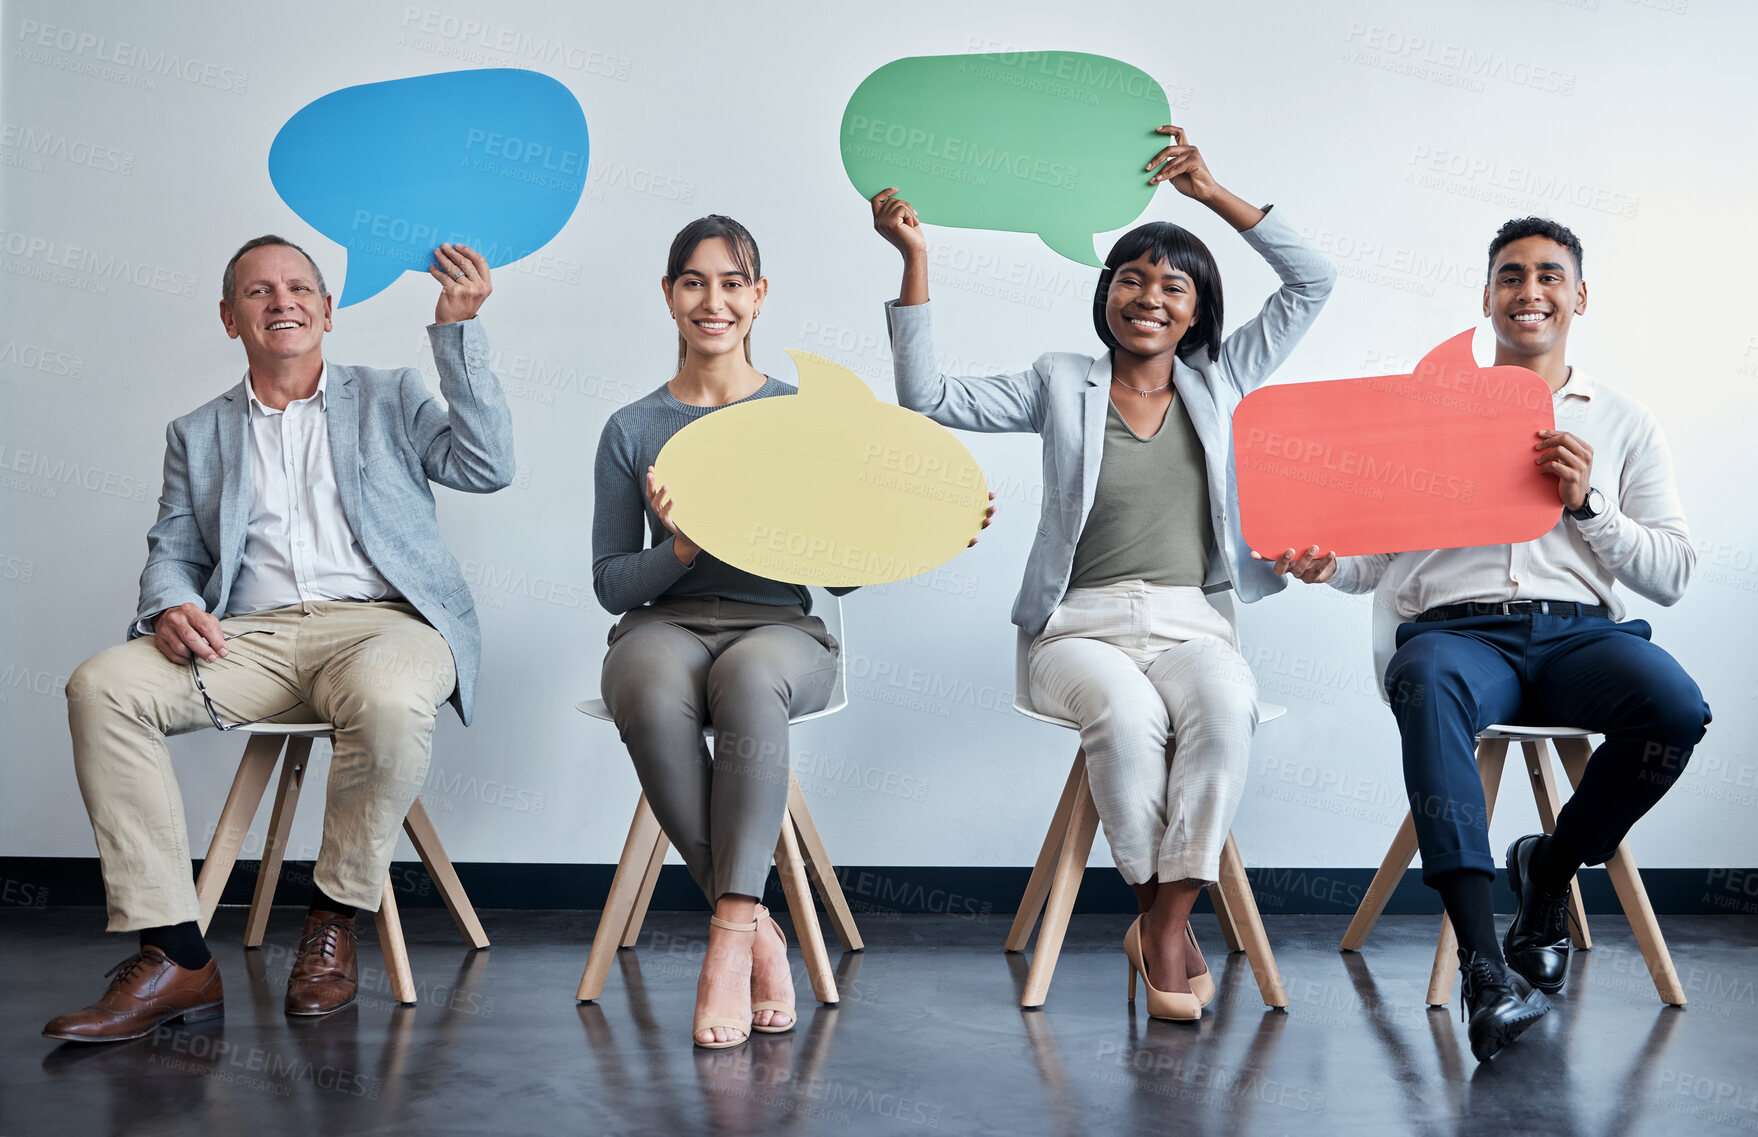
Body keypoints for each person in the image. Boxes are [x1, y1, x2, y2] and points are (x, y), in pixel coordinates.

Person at [873, 126, 1335, 1021]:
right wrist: (916, 258)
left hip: (1192, 622)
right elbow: (925, 396)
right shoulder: (1060, 381)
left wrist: (1213, 194)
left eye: (1173, 285)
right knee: (1125, 716)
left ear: (1199, 310)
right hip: (1075, 627)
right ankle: (1162, 927)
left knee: (1224, 705)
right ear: (1105, 293)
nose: (1149, 296)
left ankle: (1165, 917)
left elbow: (1314, 280)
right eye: (1131, 277)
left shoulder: (1223, 378)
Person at [43, 237, 514, 1042]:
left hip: (383, 626)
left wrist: (458, 334)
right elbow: (174, 551)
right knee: (103, 685)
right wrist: (169, 607)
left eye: (299, 287)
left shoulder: (390, 394)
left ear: (328, 310)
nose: (282, 301)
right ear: (231, 319)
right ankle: (177, 953)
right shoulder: (197, 432)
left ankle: (332, 922)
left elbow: (487, 465)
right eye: (258, 292)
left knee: (389, 696)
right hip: (249, 641)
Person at [1268, 217, 1709, 1061]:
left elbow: (1674, 573)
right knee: (1425, 678)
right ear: (1487, 297)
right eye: (1511, 276)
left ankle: (1549, 869)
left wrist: (1590, 505)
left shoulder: (1622, 421)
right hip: (1457, 636)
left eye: (1549, 275)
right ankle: (1482, 966)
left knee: (1675, 707)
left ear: (1579, 297)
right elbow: (1375, 560)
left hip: (1579, 638)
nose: (1529, 291)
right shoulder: (1428, 414)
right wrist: (1328, 563)